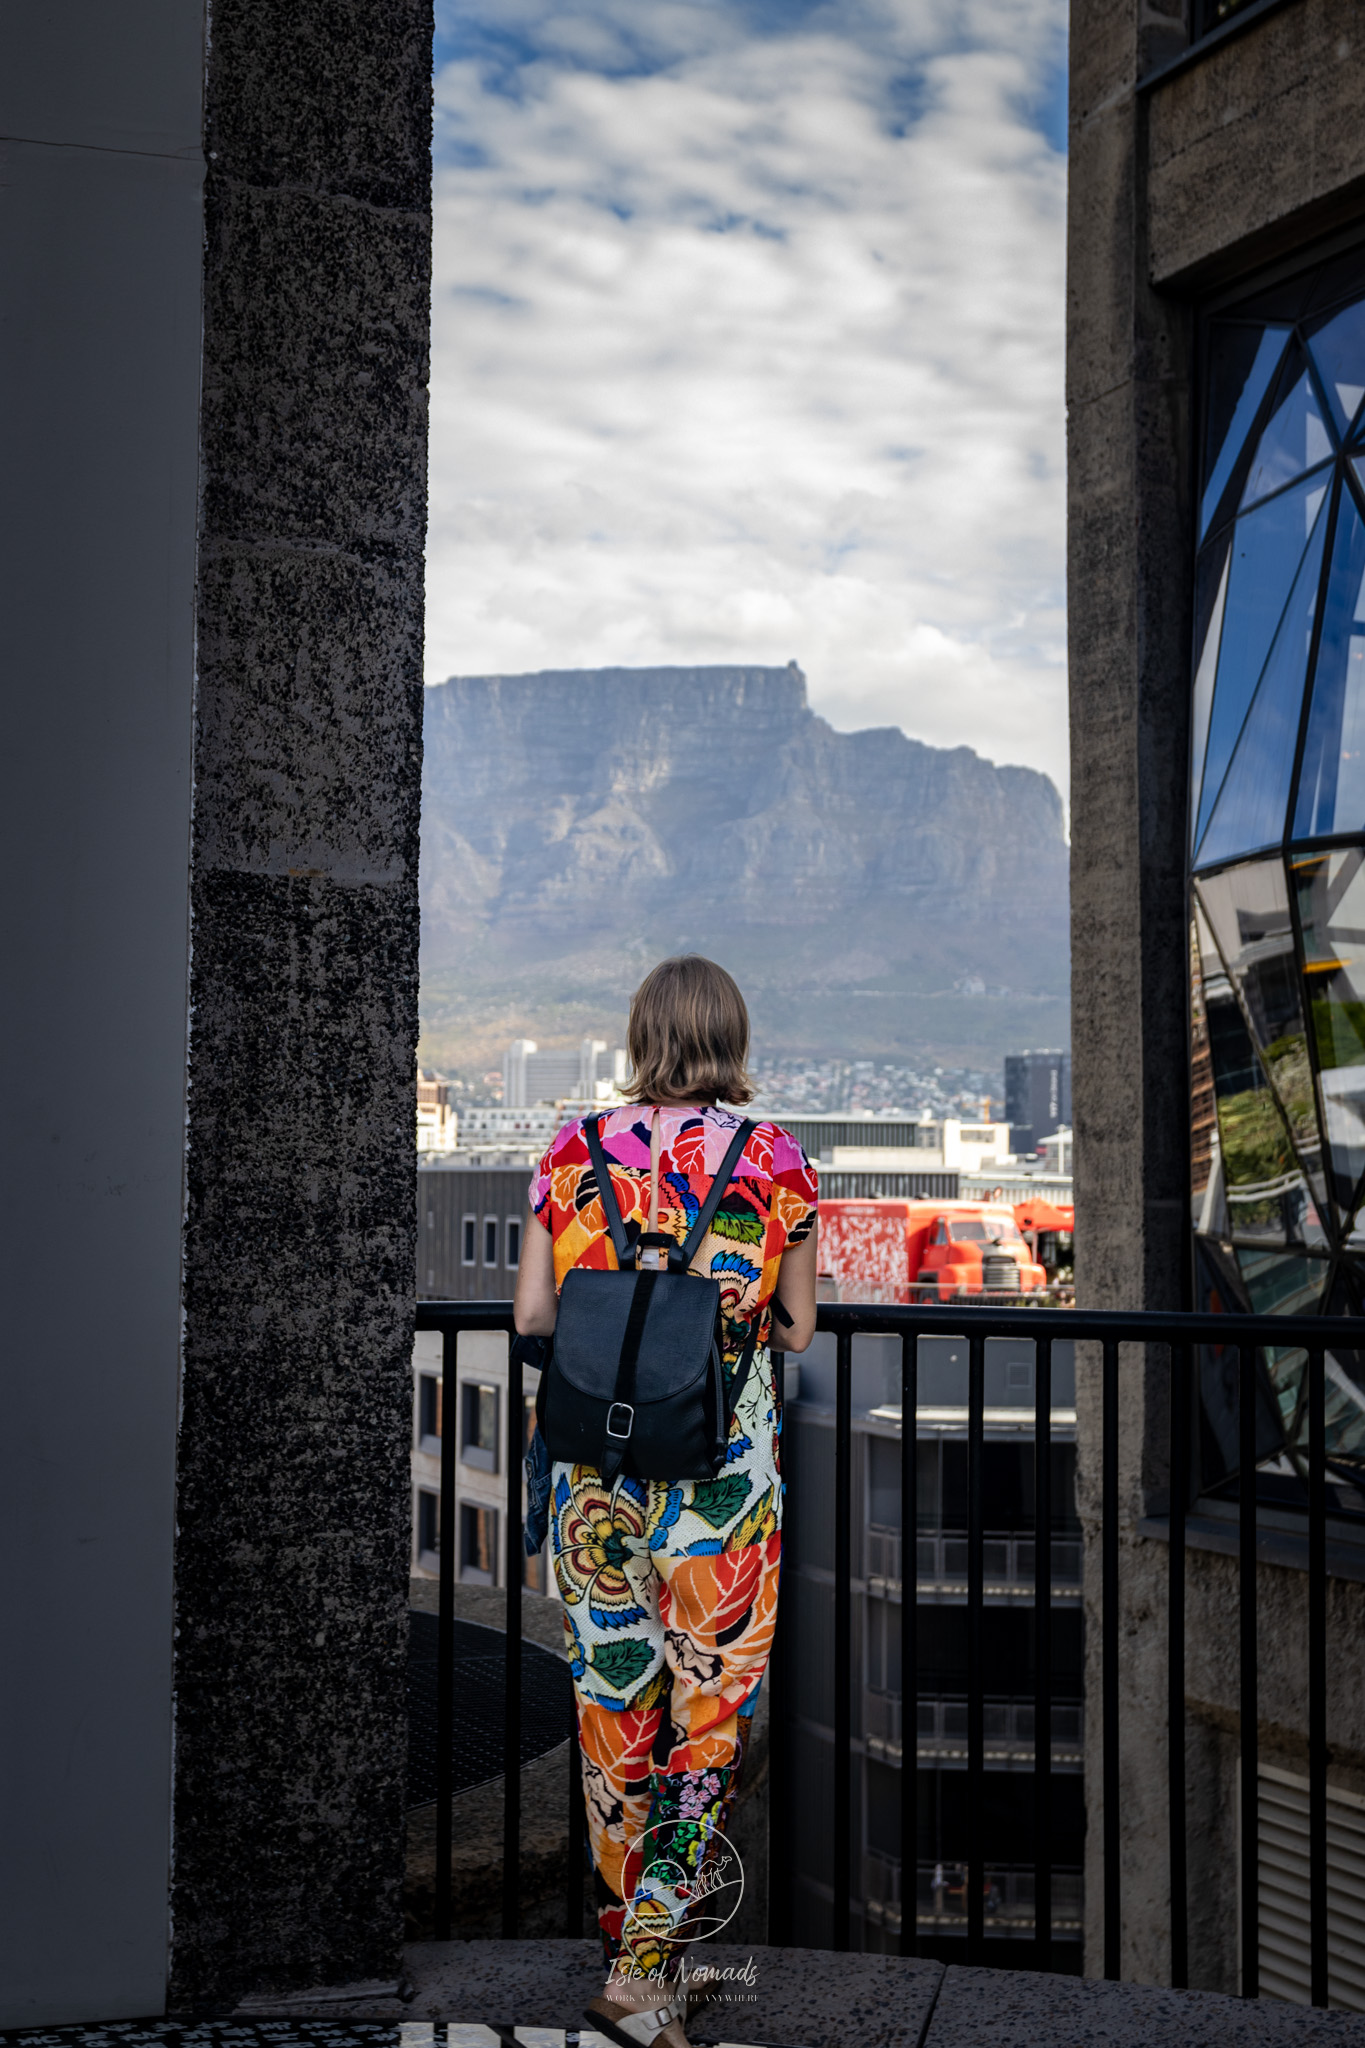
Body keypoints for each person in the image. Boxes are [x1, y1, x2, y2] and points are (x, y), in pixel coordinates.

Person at [514, 956, 818, 2048]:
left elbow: (537, 1315)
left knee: (613, 1716)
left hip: (595, 1477)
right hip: (722, 1485)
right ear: (730, 1037)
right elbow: (796, 1328)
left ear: (641, 1032)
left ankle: (629, 1959)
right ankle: (650, 1972)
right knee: (707, 1717)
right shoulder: (777, 1161)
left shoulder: (568, 1149)